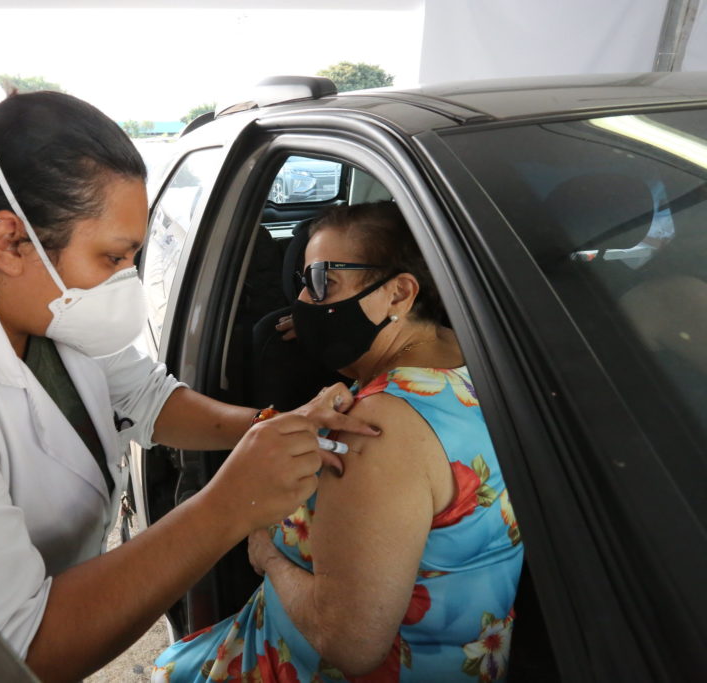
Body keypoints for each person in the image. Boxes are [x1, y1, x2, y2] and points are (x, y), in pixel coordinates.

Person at [0, 87, 377, 683]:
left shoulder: (36, 295)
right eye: (114, 258)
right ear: (10, 240)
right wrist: (228, 505)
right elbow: (13, 648)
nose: (127, 281)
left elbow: (145, 396)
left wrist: (268, 428)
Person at [153, 202, 524, 682]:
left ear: (398, 293)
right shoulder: (480, 362)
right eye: (302, 283)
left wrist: (268, 558)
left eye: (323, 280)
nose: (304, 302)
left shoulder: (381, 428)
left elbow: (348, 640)